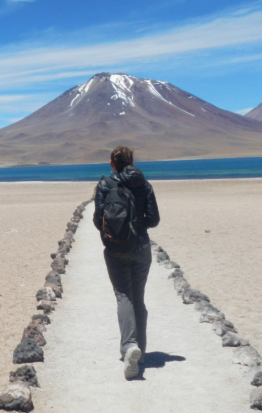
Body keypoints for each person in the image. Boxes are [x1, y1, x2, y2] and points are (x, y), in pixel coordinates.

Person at [93, 146, 160, 380]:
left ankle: (130, 346)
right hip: (141, 247)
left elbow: (96, 220)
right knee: (138, 297)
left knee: (124, 296)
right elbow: (154, 219)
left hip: (116, 249)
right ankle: (139, 352)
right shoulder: (144, 184)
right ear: (131, 162)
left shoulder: (105, 184)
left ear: (112, 163)